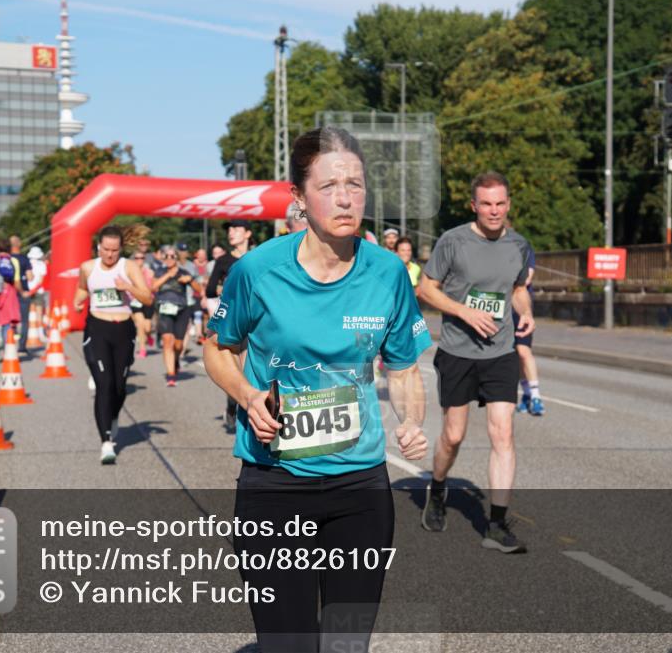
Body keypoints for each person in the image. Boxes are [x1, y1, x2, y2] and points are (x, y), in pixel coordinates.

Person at [204, 126, 431, 653]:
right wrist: (247, 396)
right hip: (275, 484)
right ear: (299, 199)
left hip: (361, 490)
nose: (345, 196)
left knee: (347, 645)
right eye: (329, 185)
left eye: (355, 183)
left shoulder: (389, 273)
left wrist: (411, 420)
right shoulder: (257, 271)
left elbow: (402, 369)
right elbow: (217, 348)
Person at [416, 170, 535, 553]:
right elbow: (426, 289)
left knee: (503, 433)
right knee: (453, 436)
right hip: (457, 351)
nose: (494, 210)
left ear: (509, 204)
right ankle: (437, 489)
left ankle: (497, 524)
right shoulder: (453, 241)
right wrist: (465, 312)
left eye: (500, 203)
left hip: (500, 353)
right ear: (474, 206)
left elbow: (516, 288)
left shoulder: (518, 244)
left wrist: (526, 310)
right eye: (486, 204)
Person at [74, 225, 153, 465]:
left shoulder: (128, 267)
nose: (110, 255)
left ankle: (114, 415)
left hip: (123, 330)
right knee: (104, 384)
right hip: (98, 328)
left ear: (120, 249)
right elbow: (81, 288)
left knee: (119, 386)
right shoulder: (88, 267)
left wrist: (127, 287)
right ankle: (106, 441)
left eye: (114, 250)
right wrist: (78, 301)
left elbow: (148, 298)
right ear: (98, 247)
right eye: (106, 250)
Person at [205, 220, 252, 431]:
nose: (231, 233)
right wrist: (225, 289)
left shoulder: (258, 257)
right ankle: (234, 404)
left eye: (236, 229)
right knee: (238, 366)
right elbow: (209, 290)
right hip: (233, 319)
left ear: (248, 233)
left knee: (254, 367)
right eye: (229, 230)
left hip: (256, 318)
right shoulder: (223, 260)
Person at [152, 245, 201, 386]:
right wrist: (168, 275)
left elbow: (199, 289)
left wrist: (190, 280)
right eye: (166, 256)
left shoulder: (184, 272)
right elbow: (153, 287)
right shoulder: (160, 271)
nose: (169, 259)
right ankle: (171, 375)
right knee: (168, 340)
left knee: (178, 345)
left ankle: (176, 360)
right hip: (164, 308)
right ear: (162, 258)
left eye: (172, 256)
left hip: (182, 309)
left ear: (177, 258)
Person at [514, 243, 544, 416]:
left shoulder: (523, 247)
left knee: (524, 350)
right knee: (515, 355)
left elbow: (527, 278)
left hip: (519, 306)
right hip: (500, 309)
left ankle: (536, 396)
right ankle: (526, 393)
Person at [8, 235, 34, 353]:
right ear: (19, 244)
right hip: (22, 291)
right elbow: (30, 276)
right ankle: (22, 346)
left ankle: (9, 344)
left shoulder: (6, 259)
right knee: (24, 320)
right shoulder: (24, 259)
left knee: (9, 320)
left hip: (8, 293)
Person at [129, 250, 155, 358]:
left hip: (148, 301)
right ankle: (142, 349)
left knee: (147, 328)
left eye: (141, 258)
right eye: (137, 258)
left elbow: (154, 287)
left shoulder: (149, 272)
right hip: (135, 301)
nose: (139, 260)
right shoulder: (130, 272)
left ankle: (148, 336)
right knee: (140, 325)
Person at [191, 247, 210, 344]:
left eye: (203, 254)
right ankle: (199, 335)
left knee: (206, 315)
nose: (202, 256)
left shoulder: (209, 265)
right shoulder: (193, 265)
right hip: (196, 293)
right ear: (196, 255)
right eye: (200, 254)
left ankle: (207, 334)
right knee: (197, 313)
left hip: (208, 294)